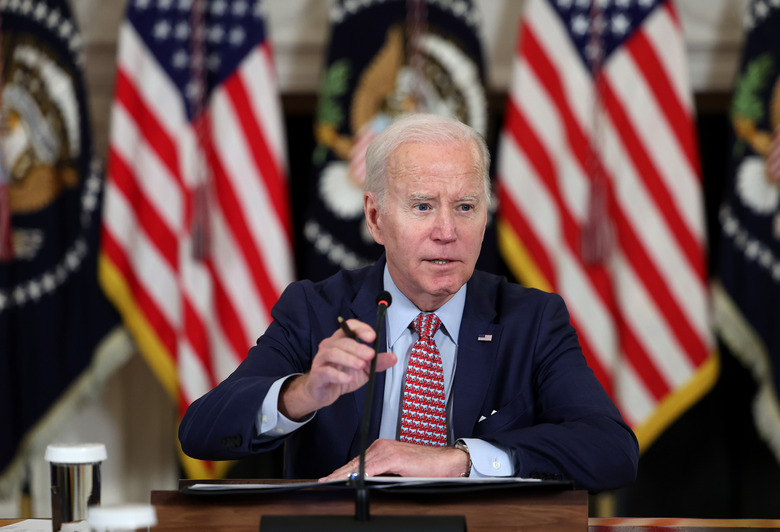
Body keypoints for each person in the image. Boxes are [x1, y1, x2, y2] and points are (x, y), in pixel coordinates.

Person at [178, 113, 638, 491]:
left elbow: (611, 451)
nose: (446, 231)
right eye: (422, 206)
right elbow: (199, 431)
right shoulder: (315, 309)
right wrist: (304, 393)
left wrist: (456, 460)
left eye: (465, 207)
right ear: (376, 218)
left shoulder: (532, 320)